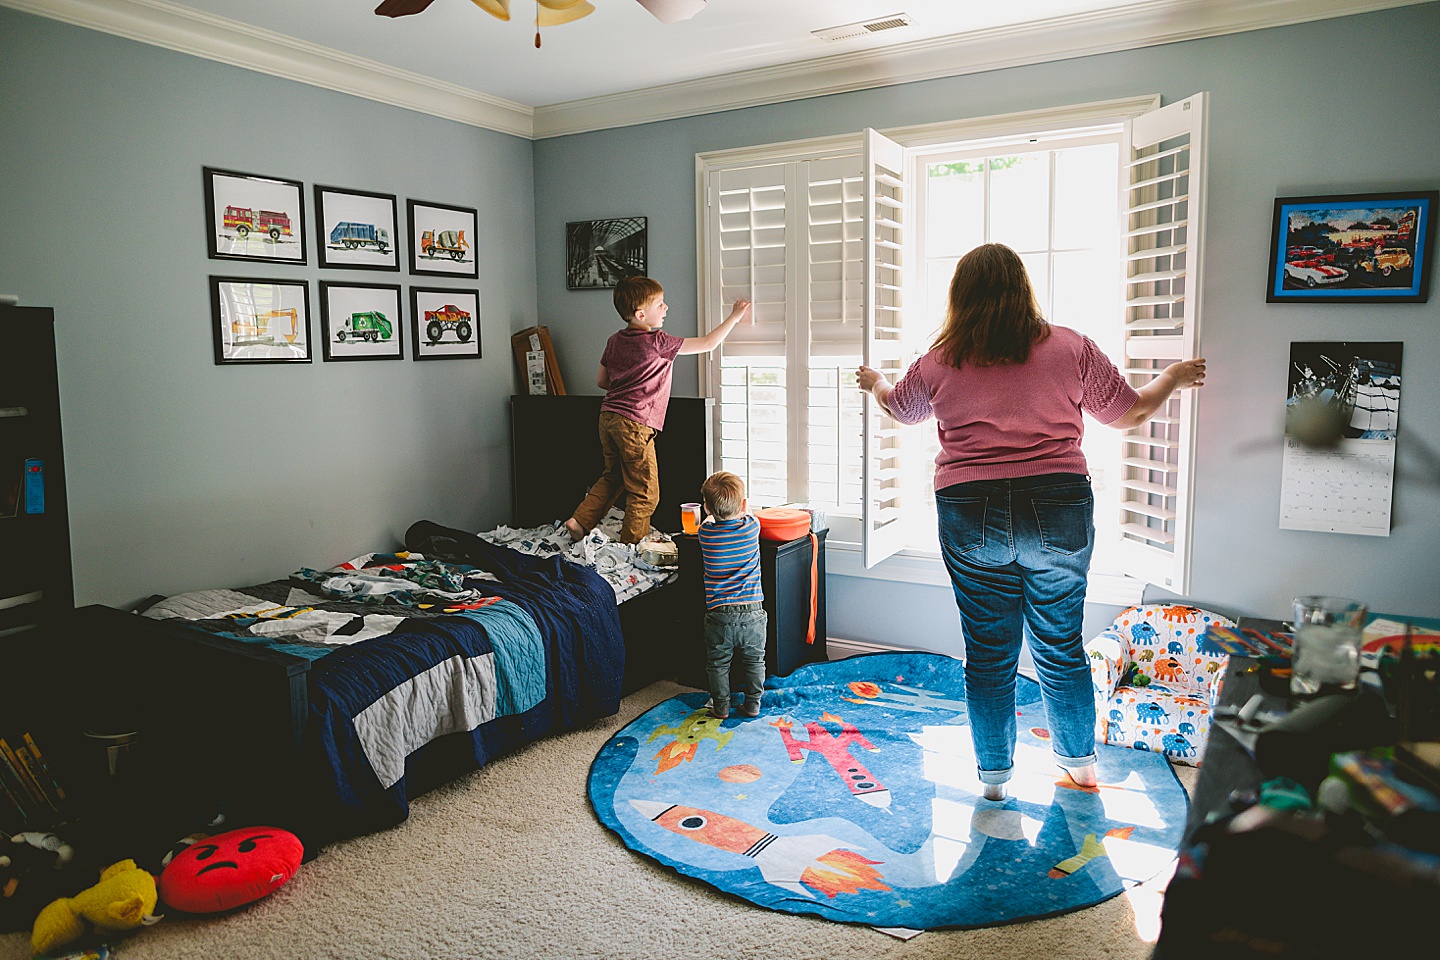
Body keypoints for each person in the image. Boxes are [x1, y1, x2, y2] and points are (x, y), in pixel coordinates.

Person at [856, 242, 1206, 802]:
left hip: (971, 508)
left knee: (989, 655)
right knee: (1060, 646)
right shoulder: (1070, 347)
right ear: (1023, 289)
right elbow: (1130, 412)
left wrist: (874, 382)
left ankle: (995, 781)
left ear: (960, 298)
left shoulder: (940, 359)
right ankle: (1080, 769)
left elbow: (903, 409)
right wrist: (1172, 378)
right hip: (1058, 504)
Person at [563, 277, 750, 544]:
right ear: (641, 314)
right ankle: (632, 545)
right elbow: (708, 344)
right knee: (645, 491)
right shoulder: (658, 342)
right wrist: (734, 316)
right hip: (635, 424)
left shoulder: (614, 340)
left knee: (613, 475)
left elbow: (602, 381)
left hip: (607, 417)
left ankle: (579, 521)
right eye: (660, 304)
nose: (666, 308)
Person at [696, 470, 767, 720]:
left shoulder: (705, 535)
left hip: (719, 614)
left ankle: (722, 707)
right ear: (744, 505)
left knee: (717, 664)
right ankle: (753, 704)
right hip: (752, 612)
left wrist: (711, 514)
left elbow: (707, 523)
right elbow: (750, 514)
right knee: (755, 662)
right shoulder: (752, 528)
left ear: (706, 507)